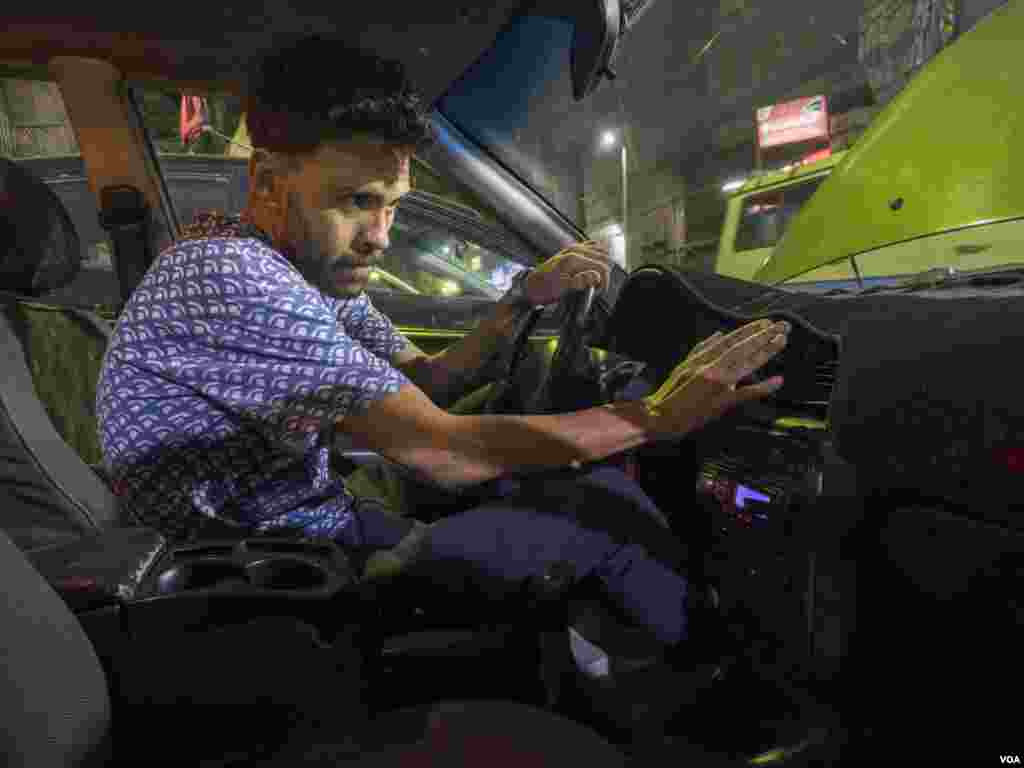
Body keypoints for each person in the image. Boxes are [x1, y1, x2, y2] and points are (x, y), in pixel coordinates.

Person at [95, 36, 788, 704]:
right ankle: (708, 696)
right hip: (267, 585)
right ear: (269, 179)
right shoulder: (231, 276)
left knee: (567, 486)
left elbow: (430, 380)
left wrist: (521, 300)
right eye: (357, 201)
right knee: (592, 513)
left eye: (391, 204)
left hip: (304, 543)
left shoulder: (299, 273)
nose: (381, 236)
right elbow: (443, 451)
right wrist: (658, 416)